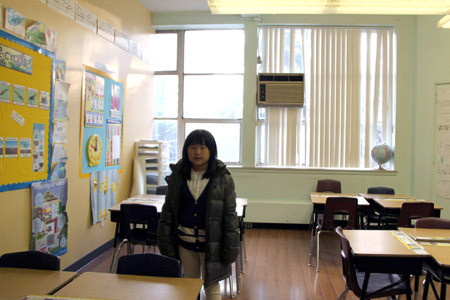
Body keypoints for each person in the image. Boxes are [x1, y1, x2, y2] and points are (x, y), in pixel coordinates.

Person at [157, 129, 239, 300]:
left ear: (211, 150)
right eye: (193, 147)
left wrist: (230, 248)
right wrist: (165, 242)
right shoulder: (178, 175)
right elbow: (168, 211)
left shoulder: (223, 178)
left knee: (212, 286)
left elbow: (230, 216)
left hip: (211, 245)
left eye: (202, 147)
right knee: (189, 285)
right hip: (184, 244)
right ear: (186, 150)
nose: (197, 152)